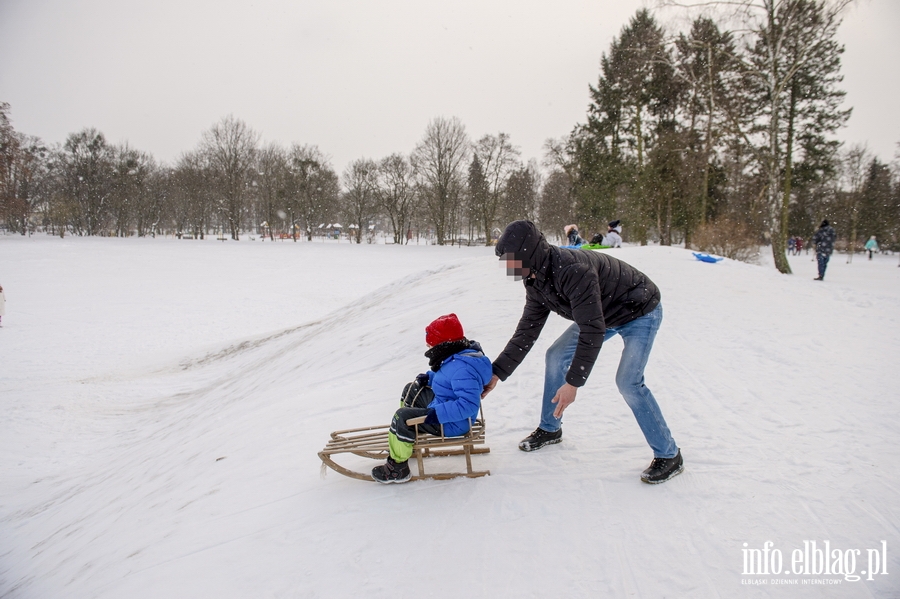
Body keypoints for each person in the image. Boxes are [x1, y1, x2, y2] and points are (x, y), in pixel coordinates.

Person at [482, 220, 683, 484]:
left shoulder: (573, 271)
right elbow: (527, 331)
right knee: (555, 355)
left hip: (639, 310)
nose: (510, 268)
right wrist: (498, 372)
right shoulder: (534, 280)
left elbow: (592, 331)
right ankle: (550, 428)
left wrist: (573, 382)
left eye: (512, 260)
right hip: (602, 314)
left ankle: (669, 455)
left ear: (528, 253)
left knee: (628, 382)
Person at [372, 314, 493, 484]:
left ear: (443, 345)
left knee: (403, 416)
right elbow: (447, 377)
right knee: (412, 389)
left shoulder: (462, 369)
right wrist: (429, 378)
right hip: (444, 408)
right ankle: (406, 440)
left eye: (431, 343)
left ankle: (397, 468)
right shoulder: (457, 356)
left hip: (452, 423)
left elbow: (468, 405)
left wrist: (437, 414)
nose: (428, 346)